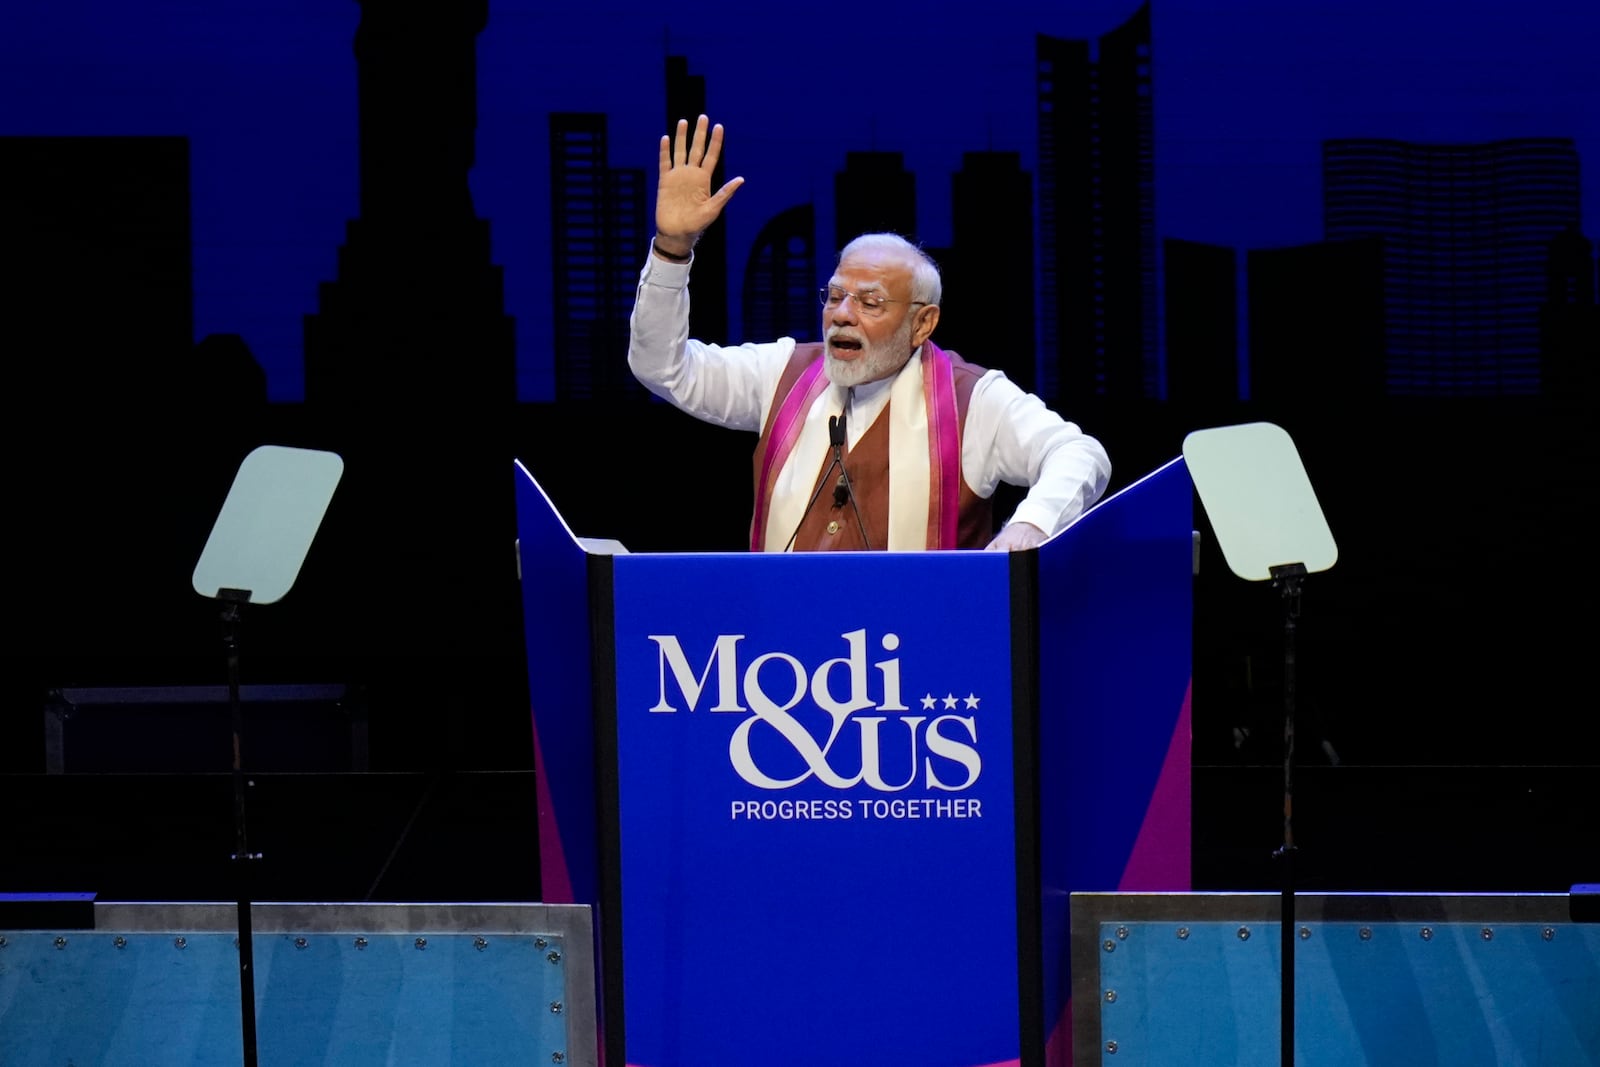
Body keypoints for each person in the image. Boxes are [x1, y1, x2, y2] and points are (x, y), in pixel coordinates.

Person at [629, 114, 1111, 552]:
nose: (842, 313)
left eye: (870, 302)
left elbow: (1079, 453)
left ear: (923, 323)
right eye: (836, 296)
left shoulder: (972, 400)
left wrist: (1031, 527)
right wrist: (673, 248)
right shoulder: (782, 373)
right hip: (782, 644)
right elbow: (663, 369)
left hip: (914, 642)